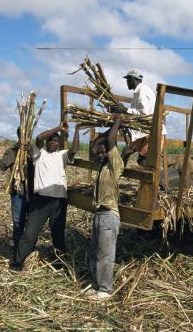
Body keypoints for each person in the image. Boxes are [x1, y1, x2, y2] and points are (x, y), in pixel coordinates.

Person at [10, 121, 83, 270]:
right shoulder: (39, 154)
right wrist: (58, 128)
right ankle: (17, 262)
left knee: (58, 234)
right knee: (30, 233)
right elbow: (39, 138)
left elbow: (74, 149)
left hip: (58, 202)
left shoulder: (62, 155)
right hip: (40, 201)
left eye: (56, 141)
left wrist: (76, 130)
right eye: (51, 140)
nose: (53, 142)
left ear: (59, 143)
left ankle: (60, 263)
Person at [85, 115, 124, 300]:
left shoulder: (115, 165)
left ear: (110, 152)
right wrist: (99, 136)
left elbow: (110, 140)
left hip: (109, 214)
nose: (100, 154)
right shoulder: (101, 167)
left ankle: (105, 290)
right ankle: (96, 286)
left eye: (103, 152)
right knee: (95, 252)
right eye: (100, 153)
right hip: (99, 213)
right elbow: (94, 147)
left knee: (105, 255)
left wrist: (117, 121)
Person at [111, 69, 166, 166]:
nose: (127, 82)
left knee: (143, 159)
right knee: (126, 151)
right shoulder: (138, 92)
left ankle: (151, 180)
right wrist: (122, 111)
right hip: (144, 131)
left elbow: (144, 114)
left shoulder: (142, 92)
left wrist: (125, 110)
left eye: (127, 80)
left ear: (132, 79)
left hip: (153, 132)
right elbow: (135, 113)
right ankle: (117, 174)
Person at [0, 127, 34, 259]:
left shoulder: (34, 150)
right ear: (19, 135)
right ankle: (17, 250)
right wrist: (15, 153)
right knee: (18, 222)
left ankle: (29, 249)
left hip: (33, 192)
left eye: (27, 135)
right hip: (18, 192)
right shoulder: (12, 150)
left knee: (31, 223)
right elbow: (2, 166)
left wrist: (29, 152)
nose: (25, 137)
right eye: (22, 135)